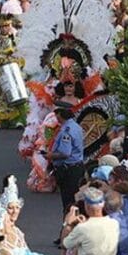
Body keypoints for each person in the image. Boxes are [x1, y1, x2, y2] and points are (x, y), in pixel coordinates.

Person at [48, 101, 84, 242]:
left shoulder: (66, 131)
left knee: (68, 205)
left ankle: (67, 234)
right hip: (76, 167)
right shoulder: (75, 127)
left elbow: (65, 152)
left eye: (56, 113)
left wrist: (50, 155)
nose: (55, 116)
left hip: (69, 170)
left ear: (60, 114)